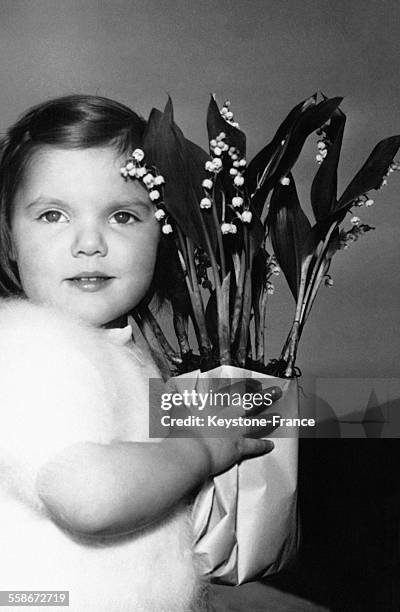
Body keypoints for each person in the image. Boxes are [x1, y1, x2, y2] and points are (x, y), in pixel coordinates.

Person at [0, 94, 280, 612]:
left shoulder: (127, 354)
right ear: (9, 239)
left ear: (164, 234)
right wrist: (202, 451)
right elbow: (89, 496)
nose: (90, 242)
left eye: (124, 215)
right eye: (54, 214)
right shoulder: (26, 344)